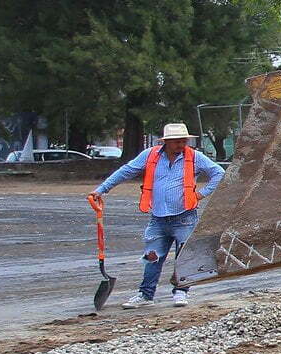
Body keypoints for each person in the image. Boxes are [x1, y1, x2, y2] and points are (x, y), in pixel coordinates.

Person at [90, 122, 225, 308]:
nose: (181, 145)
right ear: (167, 142)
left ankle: (181, 291)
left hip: (185, 217)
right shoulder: (150, 155)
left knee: (184, 257)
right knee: (152, 257)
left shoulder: (194, 157)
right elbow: (126, 171)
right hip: (158, 219)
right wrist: (102, 189)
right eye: (177, 141)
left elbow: (219, 174)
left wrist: (200, 194)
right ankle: (146, 295)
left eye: (183, 141)